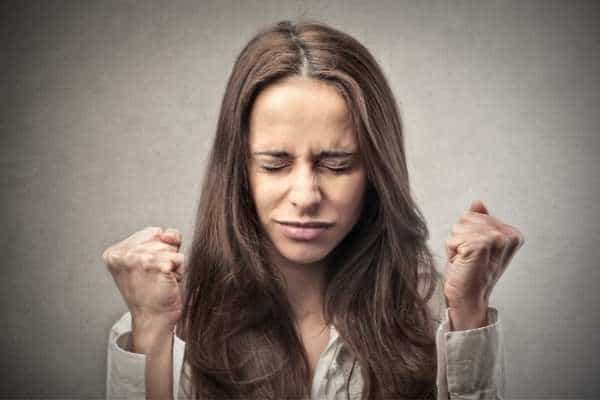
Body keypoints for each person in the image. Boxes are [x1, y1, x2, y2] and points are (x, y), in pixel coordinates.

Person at [103, 19, 524, 399]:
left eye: (336, 164)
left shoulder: (433, 314)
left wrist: (468, 312)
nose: (305, 196)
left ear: (377, 173)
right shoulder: (168, 316)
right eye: (275, 164)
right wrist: (154, 331)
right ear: (239, 171)